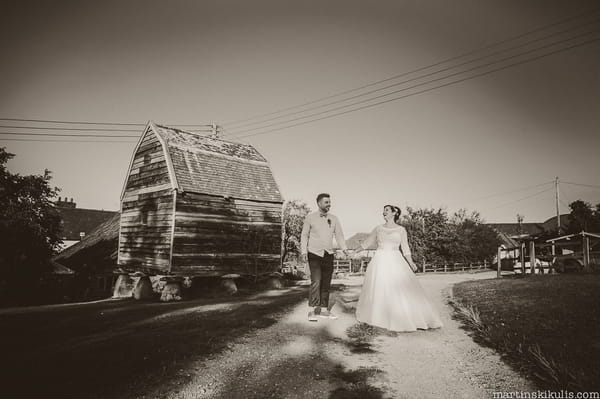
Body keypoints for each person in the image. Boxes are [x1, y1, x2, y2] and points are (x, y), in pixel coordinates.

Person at [354, 205, 443, 332]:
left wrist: (411, 263)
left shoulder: (401, 230)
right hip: (380, 260)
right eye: (383, 210)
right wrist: (354, 252)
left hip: (396, 259)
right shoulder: (378, 229)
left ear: (394, 213)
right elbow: (366, 243)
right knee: (380, 287)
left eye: (387, 210)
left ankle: (403, 317)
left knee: (399, 287)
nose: (383, 212)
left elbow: (405, 248)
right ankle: (381, 316)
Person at [301, 193, 349, 322]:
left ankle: (323, 310)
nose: (329, 204)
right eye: (326, 202)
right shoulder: (310, 218)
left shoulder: (334, 218)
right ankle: (312, 310)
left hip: (328, 254)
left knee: (326, 283)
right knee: (316, 281)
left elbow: (339, 236)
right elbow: (304, 235)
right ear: (319, 203)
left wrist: (344, 249)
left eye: (330, 202)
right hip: (314, 253)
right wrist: (303, 251)